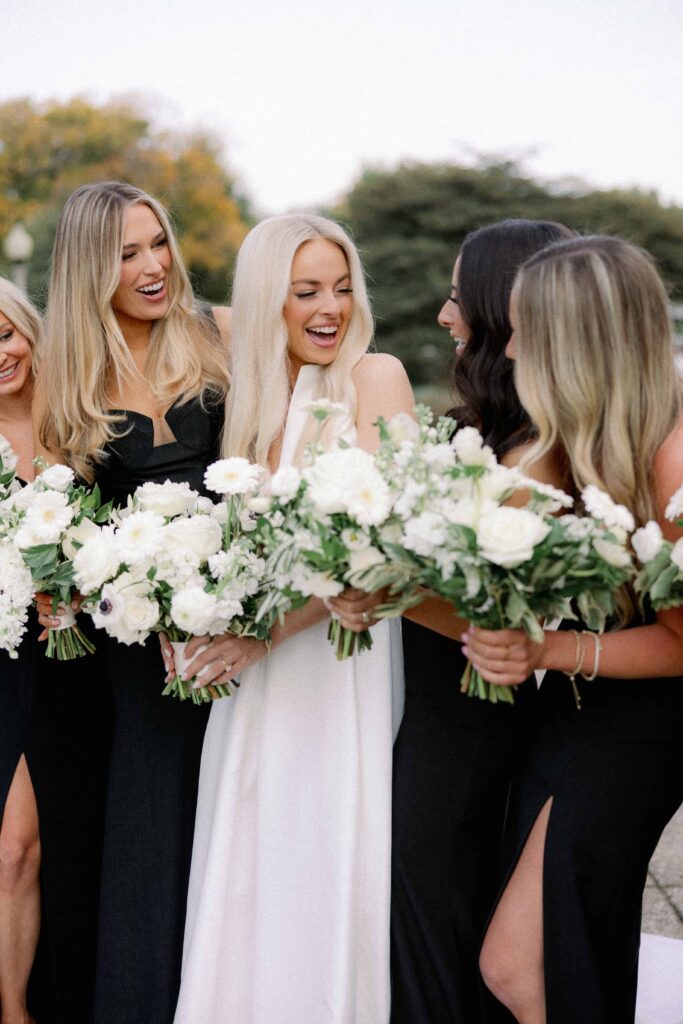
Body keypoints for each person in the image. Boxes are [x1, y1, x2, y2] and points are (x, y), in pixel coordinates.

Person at [172, 213, 414, 1024]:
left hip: (337, 659)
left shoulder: (372, 377)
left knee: (325, 850)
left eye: (342, 288)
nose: (330, 307)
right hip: (256, 674)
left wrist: (262, 633)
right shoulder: (247, 403)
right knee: (252, 849)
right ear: (268, 297)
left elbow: (388, 546)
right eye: (306, 290)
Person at [464, 235, 683, 1023]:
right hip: (578, 713)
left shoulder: (672, 460)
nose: (511, 346)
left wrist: (546, 650)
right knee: (561, 958)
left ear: (578, 342)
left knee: (523, 967)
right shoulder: (572, 444)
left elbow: (681, 644)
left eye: (527, 329)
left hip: (645, 729)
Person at [32, 181, 231, 1024]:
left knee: (237, 825)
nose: (154, 266)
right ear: (89, 268)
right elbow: (54, 515)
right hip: (137, 654)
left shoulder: (219, 333)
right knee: (152, 837)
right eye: (126, 253)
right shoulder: (64, 378)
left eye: (158, 243)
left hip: (241, 626)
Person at [376, 220, 573, 1024]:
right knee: (431, 910)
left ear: (499, 309)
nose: (443, 316)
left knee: (438, 914)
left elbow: (493, 609)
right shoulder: (482, 430)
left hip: (471, 727)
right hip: (440, 714)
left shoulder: (540, 446)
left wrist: (371, 584)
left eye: (458, 297)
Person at [0, 279, 42, 1024]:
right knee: (11, 851)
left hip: (87, 660)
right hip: (7, 661)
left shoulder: (82, 418)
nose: (0, 354)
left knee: (35, 845)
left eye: (6, 332)